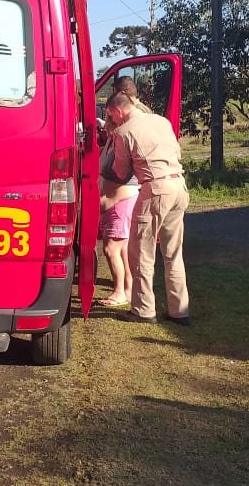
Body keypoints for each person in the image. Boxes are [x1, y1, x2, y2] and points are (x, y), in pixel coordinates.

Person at [104, 92, 190, 326]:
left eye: (112, 116)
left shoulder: (124, 131)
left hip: (155, 188)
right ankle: (179, 310)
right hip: (178, 185)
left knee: (141, 251)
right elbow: (177, 152)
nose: (114, 120)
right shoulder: (162, 121)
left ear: (118, 112)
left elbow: (121, 173)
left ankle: (143, 309)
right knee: (173, 253)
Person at [97, 118, 137, 306]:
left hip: (121, 201)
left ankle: (120, 291)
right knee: (121, 250)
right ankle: (128, 289)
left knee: (111, 248)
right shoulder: (111, 143)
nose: (105, 127)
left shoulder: (122, 144)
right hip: (113, 202)